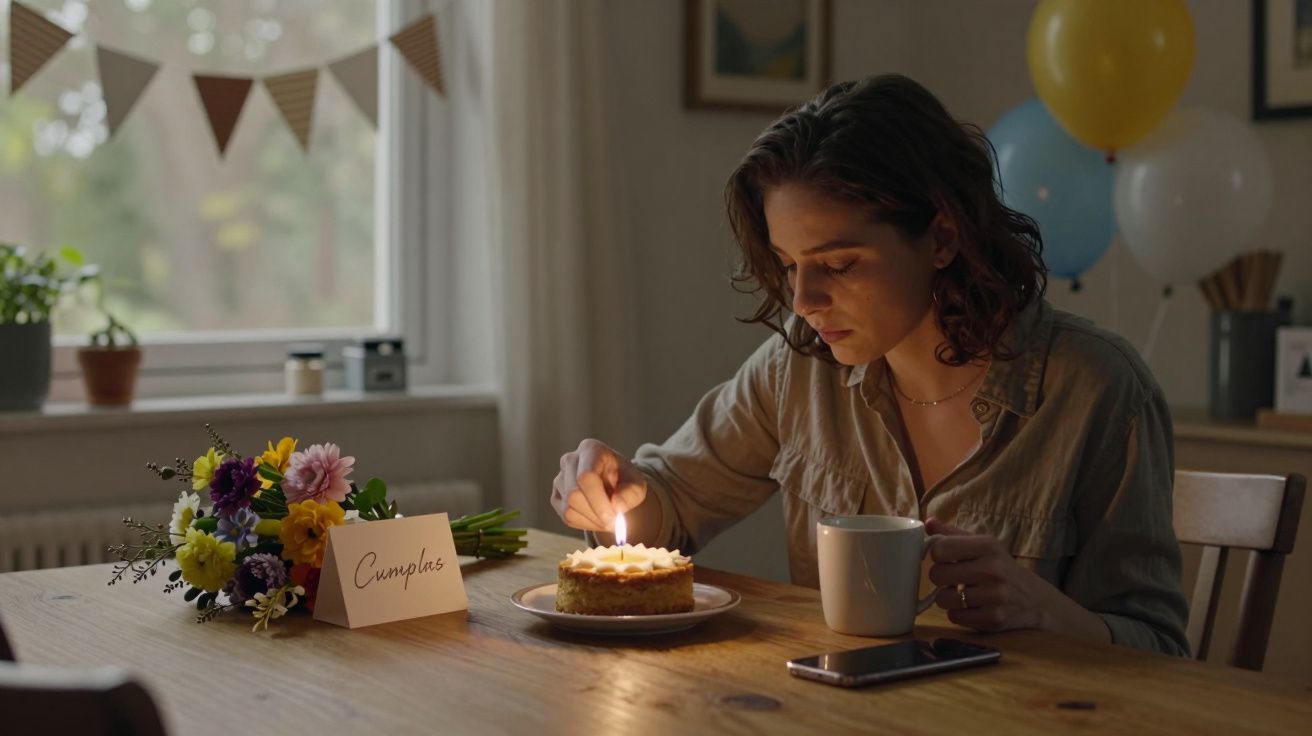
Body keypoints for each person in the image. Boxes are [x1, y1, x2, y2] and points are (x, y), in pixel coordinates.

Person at [549, 75, 1189, 656]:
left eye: (839, 263)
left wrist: (1043, 609)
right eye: (790, 264)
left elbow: (1161, 653)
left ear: (942, 237)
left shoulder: (1096, 388)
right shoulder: (798, 369)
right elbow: (673, 505)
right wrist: (614, 492)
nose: (803, 301)